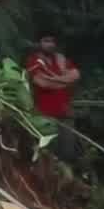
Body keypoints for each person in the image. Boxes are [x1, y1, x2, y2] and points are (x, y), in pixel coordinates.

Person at [26, 33, 81, 161]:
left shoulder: (61, 59)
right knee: (47, 154)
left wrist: (54, 80)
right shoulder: (33, 60)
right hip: (44, 116)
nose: (50, 44)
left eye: (52, 41)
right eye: (46, 41)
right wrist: (65, 80)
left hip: (65, 114)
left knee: (68, 152)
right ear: (39, 43)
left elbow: (76, 75)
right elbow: (42, 82)